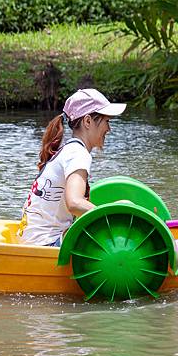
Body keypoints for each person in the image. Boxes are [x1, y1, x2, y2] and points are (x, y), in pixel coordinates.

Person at [18, 89, 126, 246]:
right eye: (106, 121)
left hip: (32, 239)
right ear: (87, 121)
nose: (109, 129)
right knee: (123, 210)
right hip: (46, 244)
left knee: (121, 206)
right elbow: (74, 202)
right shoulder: (78, 153)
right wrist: (111, 216)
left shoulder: (69, 149)